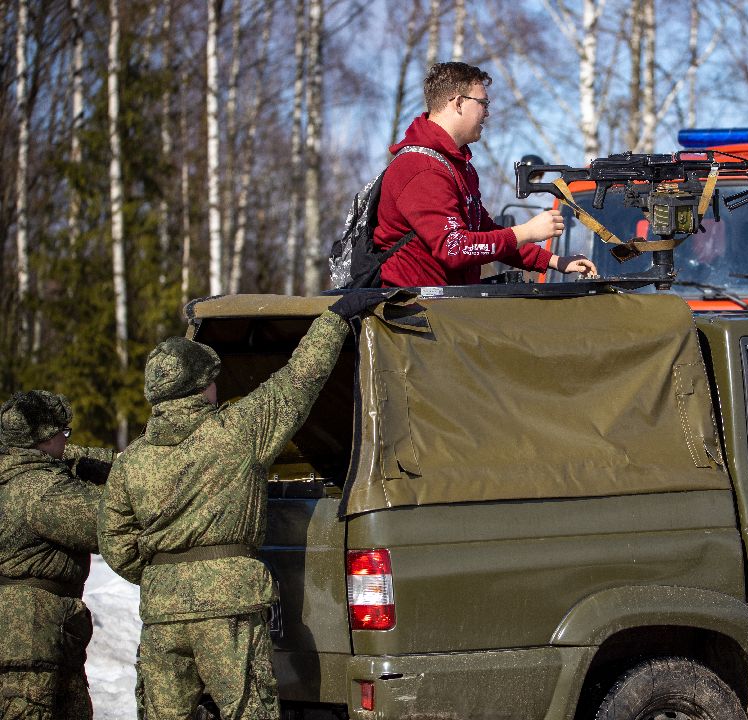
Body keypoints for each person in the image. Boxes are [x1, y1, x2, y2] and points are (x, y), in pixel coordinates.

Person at [97, 291, 376, 720]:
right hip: (228, 610)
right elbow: (298, 380)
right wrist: (337, 317)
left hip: (161, 614)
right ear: (201, 387)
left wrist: (165, 575)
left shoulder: (131, 461)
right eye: (213, 379)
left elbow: (115, 541)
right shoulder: (236, 433)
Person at [375, 61, 596, 287]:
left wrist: (554, 261)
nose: (488, 113)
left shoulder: (457, 165)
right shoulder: (421, 167)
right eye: (483, 103)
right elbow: (455, 248)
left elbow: (485, 233)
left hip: (444, 310)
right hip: (412, 313)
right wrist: (526, 232)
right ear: (459, 103)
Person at [0, 390, 115, 720]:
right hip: (29, 641)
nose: (67, 443)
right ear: (44, 440)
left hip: (41, 637)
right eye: (63, 434)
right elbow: (108, 525)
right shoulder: (43, 488)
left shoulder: (12, 472)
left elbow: (72, 456)